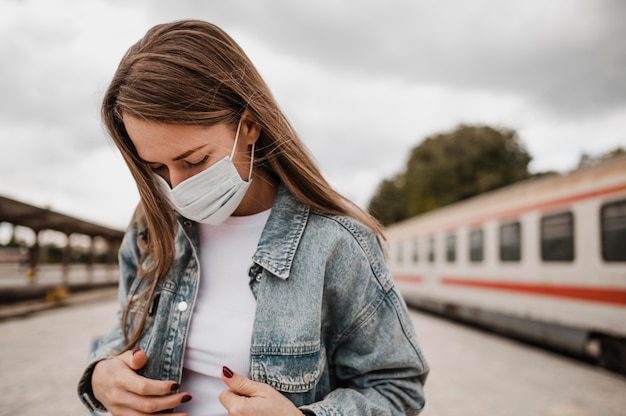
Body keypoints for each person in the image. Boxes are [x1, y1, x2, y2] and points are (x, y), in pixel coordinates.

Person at [77, 19, 428, 415]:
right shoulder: (148, 231)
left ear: (249, 125)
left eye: (193, 161)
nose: (176, 187)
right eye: (157, 168)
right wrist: (100, 376)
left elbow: (396, 389)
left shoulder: (337, 244)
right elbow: (122, 337)